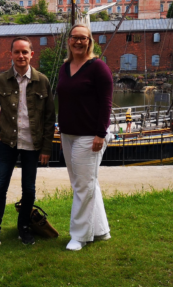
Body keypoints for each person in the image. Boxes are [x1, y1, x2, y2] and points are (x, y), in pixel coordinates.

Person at [0, 36, 56, 252]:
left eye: (25, 52)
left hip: (33, 144)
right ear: (10, 54)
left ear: (31, 54)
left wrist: (46, 148)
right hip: (8, 144)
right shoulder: (1, 81)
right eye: (17, 52)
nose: (21, 56)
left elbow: (49, 118)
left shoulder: (42, 81)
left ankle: (24, 227)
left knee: (28, 190)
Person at [56, 23, 113, 251]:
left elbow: (106, 103)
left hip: (89, 135)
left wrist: (100, 133)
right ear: (68, 40)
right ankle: (101, 230)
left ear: (90, 41)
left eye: (83, 38)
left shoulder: (98, 68)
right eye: (74, 38)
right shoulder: (65, 67)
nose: (78, 42)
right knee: (85, 184)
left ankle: (79, 236)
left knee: (83, 186)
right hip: (67, 133)